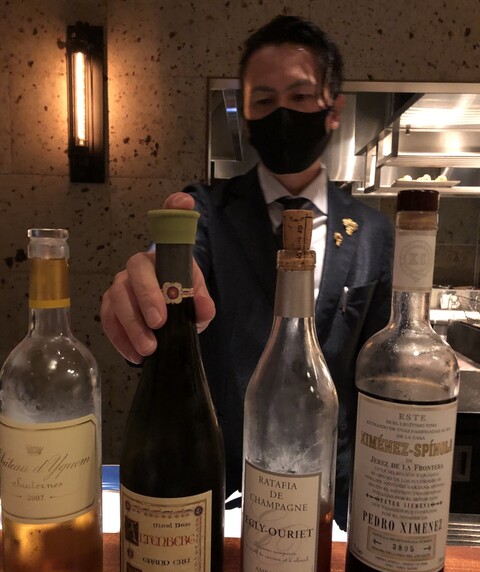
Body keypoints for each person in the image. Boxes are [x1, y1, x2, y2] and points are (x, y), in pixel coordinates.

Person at [101, 15, 394, 530]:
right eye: (264, 100)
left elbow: (378, 383)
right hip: (227, 498)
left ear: (333, 110)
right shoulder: (206, 211)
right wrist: (147, 294)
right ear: (247, 116)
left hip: (333, 504)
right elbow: (174, 262)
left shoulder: (374, 234)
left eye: (300, 96)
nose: (282, 113)